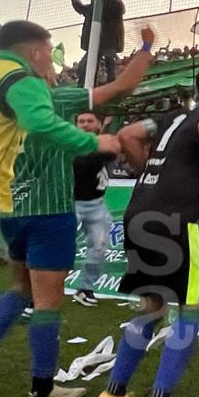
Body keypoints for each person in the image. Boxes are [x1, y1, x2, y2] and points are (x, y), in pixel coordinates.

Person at [0, 29, 154, 397]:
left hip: (12, 209)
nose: (53, 66)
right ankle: (41, 390)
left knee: (21, 289)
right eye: (48, 56)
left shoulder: (0, 99)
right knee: (47, 303)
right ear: (34, 58)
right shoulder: (56, 99)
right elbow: (123, 86)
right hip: (51, 212)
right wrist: (145, 47)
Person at [94, 65, 199, 397]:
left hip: (140, 212)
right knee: (192, 307)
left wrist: (149, 170)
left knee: (152, 306)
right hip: (180, 219)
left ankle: (113, 395)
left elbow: (129, 134)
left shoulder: (173, 116)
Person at [71, 112, 114, 307]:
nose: (85, 124)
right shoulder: (68, 143)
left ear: (99, 124)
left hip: (96, 203)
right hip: (69, 204)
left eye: (90, 121)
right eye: (81, 121)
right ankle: (34, 294)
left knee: (98, 247)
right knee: (56, 248)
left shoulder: (101, 144)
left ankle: (85, 288)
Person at [71, 0, 125, 86]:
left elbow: (120, 8)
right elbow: (81, 8)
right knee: (86, 65)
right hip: (95, 42)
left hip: (109, 41)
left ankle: (112, 84)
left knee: (109, 60)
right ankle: (87, 86)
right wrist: (74, 0)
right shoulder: (93, 7)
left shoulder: (113, 4)